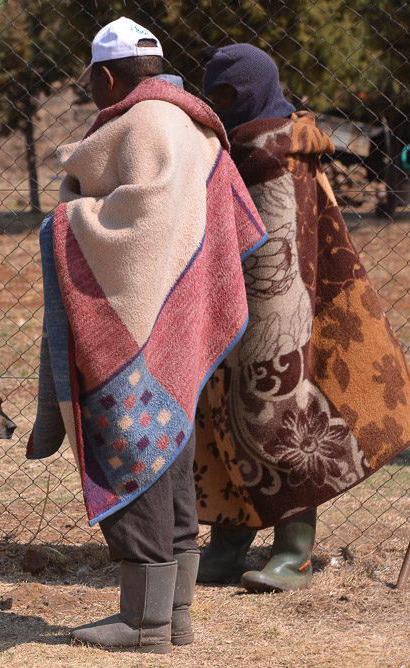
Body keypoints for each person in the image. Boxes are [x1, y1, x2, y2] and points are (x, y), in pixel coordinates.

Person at [27, 17, 266, 653]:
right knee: (173, 454)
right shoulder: (195, 127)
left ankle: (143, 623)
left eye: (91, 84)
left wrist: (66, 217)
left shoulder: (141, 125)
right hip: (179, 324)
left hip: (134, 326)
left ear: (107, 76)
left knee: (135, 453)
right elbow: (210, 222)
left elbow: (133, 230)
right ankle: (175, 614)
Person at [192, 44, 410, 592]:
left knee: (277, 416)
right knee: (222, 418)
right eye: (211, 94)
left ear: (253, 90)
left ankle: (295, 550)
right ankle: (228, 544)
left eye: (227, 94)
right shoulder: (234, 147)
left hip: (279, 307)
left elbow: (289, 241)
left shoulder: (275, 150)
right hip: (228, 298)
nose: (218, 105)